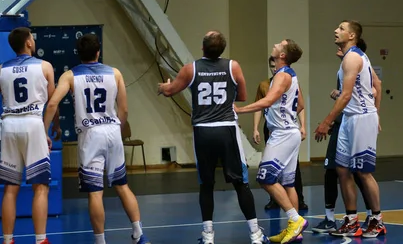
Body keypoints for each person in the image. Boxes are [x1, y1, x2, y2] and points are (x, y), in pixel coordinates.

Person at [157, 30, 267, 244]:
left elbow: (170, 91)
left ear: (203, 48)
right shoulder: (233, 66)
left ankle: (208, 236)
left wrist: (162, 87)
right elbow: (242, 96)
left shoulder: (191, 69)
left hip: (203, 130)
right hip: (226, 129)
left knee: (206, 184)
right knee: (240, 183)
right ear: (222, 49)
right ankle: (255, 234)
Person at [43, 33, 150, 244]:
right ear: (98, 51)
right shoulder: (115, 73)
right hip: (112, 129)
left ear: (78, 53)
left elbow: (53, 104)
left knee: (95, 193)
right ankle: (139, 233)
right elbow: (125, 109)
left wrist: (44, 131)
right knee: (122, 185)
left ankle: (100, 241)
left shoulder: (70, 76)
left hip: (90, 134)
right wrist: (116, 129)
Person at [314, 20, 386, 238]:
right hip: (349, 119)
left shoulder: (354, 57)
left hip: (361, 118)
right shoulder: (347, 58)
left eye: (342, 28)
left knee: (363, 173)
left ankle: (377, 220)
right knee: (342, 170)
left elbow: (346, 95)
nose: (336, 31)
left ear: (352, 35)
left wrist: (326, 122)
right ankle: (352, 220)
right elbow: (375, 86)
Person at [236, 39, 308, 243]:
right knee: (288, 183)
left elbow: (267, 101)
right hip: (289, 131)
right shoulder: (290, 75)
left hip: (283, 133)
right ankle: (295, 230)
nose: (275, 44)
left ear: (283, 55)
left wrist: (240, 109)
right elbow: (300, 104)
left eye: (280, 44)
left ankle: (295, 220)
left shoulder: (282, 75)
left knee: (265, 178)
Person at [0, 27, 58, 244]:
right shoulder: (45, 66)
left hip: (8, 124)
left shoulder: (1, 69)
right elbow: (53, 101)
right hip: (33, 123)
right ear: (29, 43)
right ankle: (41, 239)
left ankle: (7, 240)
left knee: (10, 188)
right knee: (40, 186)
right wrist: (52, 128)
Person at [252, 57, 308, 212]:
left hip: (284, 131)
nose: (273, 68)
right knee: (282, 179)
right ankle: (293, 221)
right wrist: (256, 127)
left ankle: (296, 215)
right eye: (270, 66)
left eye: (274, 64)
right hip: (277, 129)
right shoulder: (265, 84)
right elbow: (260, 107)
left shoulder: (287, 80)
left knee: (269, 176)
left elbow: (300, 105)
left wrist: (300, 124)